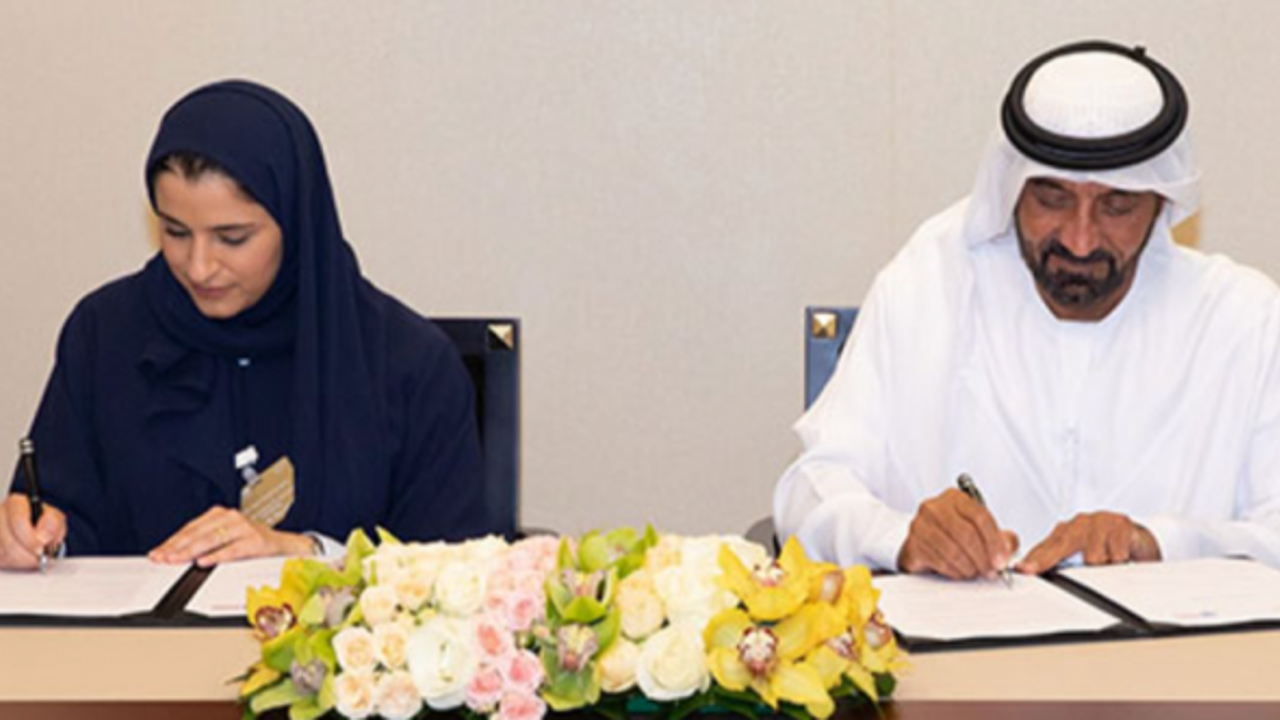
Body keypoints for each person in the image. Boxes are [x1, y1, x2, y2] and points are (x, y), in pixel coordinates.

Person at [774, 40, 1280, 578]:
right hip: (961, 634)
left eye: (1116, 206)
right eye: (1052, 198)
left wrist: (1159, 542)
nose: (1081, 240)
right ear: (1012, 190)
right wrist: (900, 537)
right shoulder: (931, 281)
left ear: (1160, 204)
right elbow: (808, 491)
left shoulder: (1244, 321)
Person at [0, 80, 490, 571]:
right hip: (133, 626)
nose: (199, 267)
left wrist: (305, 553)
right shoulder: (105, 334)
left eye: (232, 238)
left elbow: (454, 573)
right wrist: (33, 538)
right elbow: (62, 517)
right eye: (175, 232)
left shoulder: (406, 362)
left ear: (295, 222)